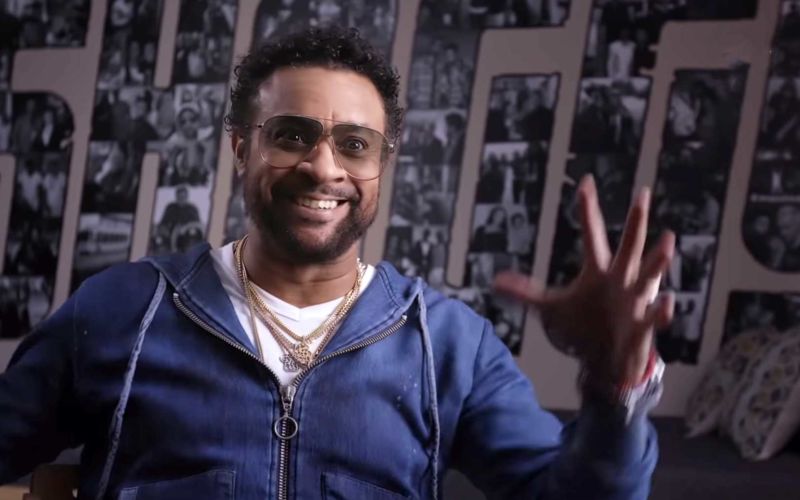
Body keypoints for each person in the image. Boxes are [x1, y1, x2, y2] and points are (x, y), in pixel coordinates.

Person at [0, 28, 674, 499]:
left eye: (355, 144)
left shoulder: (448, 345)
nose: (323, 168)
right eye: (292, 135)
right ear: (241, 147)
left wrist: (615, 387)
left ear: (382, 163)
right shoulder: (123, 311)